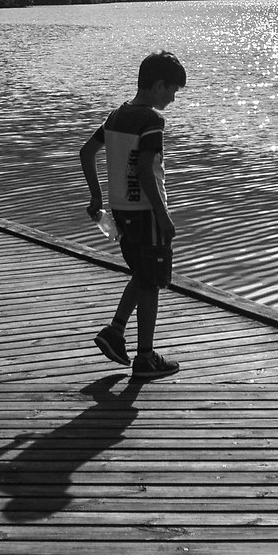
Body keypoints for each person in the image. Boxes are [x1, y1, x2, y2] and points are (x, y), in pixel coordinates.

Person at [78, 51, 187, 376]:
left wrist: (97, 195)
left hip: (122, 210)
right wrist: (163, 215)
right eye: (171, 91)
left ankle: (115, 331)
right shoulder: (152, 121)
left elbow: (87, 152)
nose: (172, 98)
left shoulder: (116, 115)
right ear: (157, 86)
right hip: (147, 213)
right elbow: (143, 169)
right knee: (152, 282)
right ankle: (145, 357)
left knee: (142, 274)